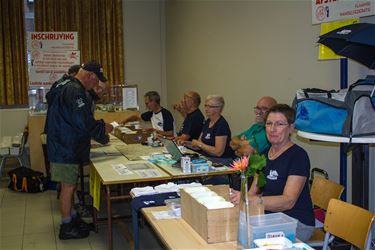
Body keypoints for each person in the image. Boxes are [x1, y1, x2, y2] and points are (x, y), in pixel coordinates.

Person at [46, 60, 113, 240]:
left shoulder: (68, 84)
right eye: (96, 81)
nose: (96, 85)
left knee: (71, 184)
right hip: (65, 146)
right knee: (68, 186)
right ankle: (66, 225)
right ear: (90, 76)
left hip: (64, 144)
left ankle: (72, 217)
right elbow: (83, 122)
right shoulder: (75, 91)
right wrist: (102, 129)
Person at [230, 104, 315, 241]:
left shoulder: (298, 156)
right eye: (269, 124)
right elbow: (252, 192)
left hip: (296, 222)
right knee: (231, 229)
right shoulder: (263, 155)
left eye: (279, 124)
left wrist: (254, 200)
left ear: (291, 128)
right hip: (268, 216)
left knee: (245, 239)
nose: (272, 129)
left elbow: (288, 201)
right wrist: (239, 198)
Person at [182, 95, 234, 163]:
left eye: (210, 106)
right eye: (206, 106)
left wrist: (199, 144)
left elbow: (218, 152)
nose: (206, 109)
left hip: (220, 161)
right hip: (207, 158)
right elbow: (198, 146)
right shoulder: (208, 122)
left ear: (219, 108)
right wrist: (185, 143)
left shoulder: (221, 125)